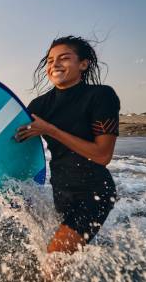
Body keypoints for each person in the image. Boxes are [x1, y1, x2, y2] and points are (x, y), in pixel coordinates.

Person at [15, 36, 120, 254]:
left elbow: (102, 155)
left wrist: (50, 130)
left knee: (54, 258)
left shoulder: (100, 96)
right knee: (63, 264)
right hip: (61, 191)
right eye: (50, 61)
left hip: (94, 192)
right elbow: (17, 146)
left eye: (64, 58)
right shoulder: (39, 105)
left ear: (83, 64)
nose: (55, 64)